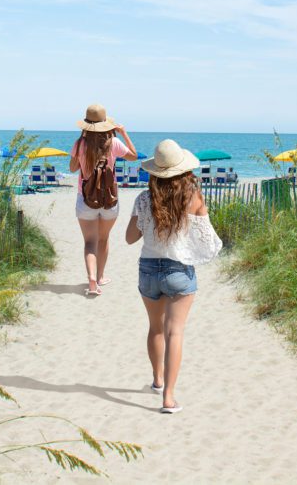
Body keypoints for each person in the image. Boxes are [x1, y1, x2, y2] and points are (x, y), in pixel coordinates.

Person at [126, 139, 222, 414]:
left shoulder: (144, 199)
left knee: (155, 328)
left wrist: (148, 222)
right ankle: (168, 397)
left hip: (148, 269)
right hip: (179, 271)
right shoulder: (192, 198)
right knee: (174, 332)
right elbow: (208, 239)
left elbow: (130, 238)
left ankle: (156, 380)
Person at [70, 103, 138, 296]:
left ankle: (91, 280)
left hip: (85, 200)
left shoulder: (80, 144)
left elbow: (73, 168)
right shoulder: (113, 143)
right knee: (103, 239)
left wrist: (80, 145)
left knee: (89, 242)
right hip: (109, 200)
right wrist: (123, 133)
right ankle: (100, 276)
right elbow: (133, 156)